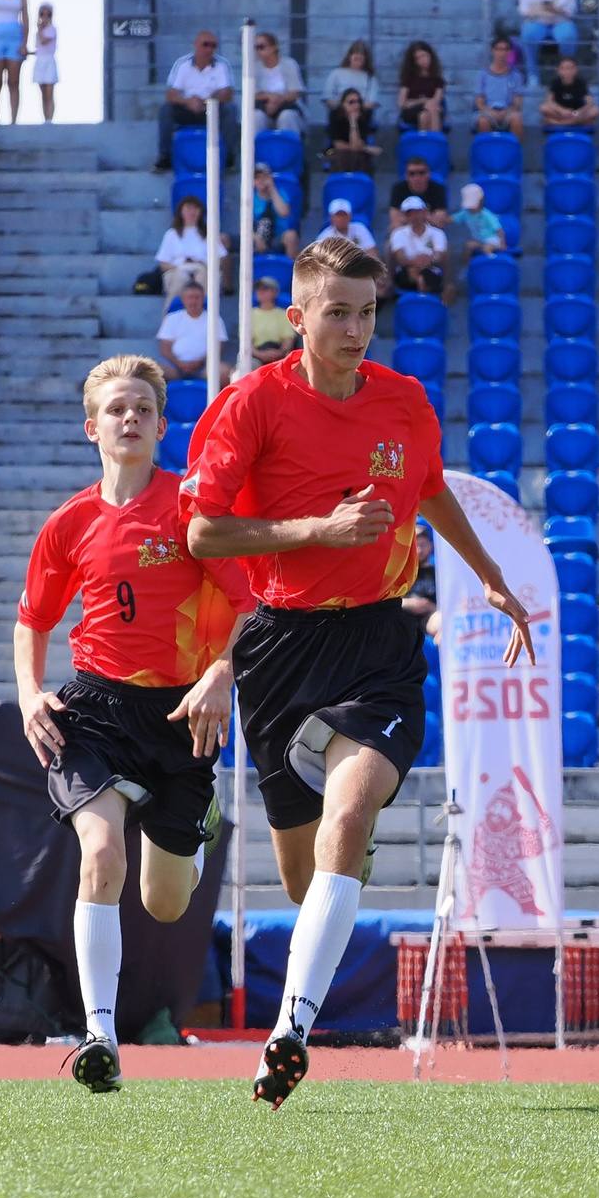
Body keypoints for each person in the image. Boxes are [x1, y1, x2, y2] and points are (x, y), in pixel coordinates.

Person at [179, 237, 535, 1108]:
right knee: (305, 881)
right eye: (335, 311)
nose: (353, 328)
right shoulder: (249, 405)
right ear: (295, 318)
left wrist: (488, 574)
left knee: (349, 810)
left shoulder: (404, 400)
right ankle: (331, 895)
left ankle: (289, 1031)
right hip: (281, 647)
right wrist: (316, 530)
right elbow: (202, 534)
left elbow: (430, 488)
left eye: (367, 311)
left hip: (379, 645)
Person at [15, 356, 257, 1091]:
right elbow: (33, 618)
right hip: (95, 711)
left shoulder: (191, 511)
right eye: (117, 408)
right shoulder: (70, 522)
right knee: (101, 850)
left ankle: (193, 812)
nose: (130, 418)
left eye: (143, 408)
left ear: (160, 424)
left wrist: (222, 672)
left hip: (182, 716)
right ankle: (100, 1036)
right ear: (94, 427)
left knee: (164, 899)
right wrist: (30, 693)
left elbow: (251, 607)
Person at [160, 30, 234, 169]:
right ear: (195, 45)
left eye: (213, 46)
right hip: (187, 108)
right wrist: (188, 101)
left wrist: (208, 101)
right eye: (205, 44)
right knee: (166, 109)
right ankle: (165, 156)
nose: (209, 49)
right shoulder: (182, 64)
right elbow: (171, 94)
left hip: (211, 109)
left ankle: (229, 158)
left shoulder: (221, 65)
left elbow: (227, 93)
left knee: (230, 110)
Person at [517, 0, 579, 70]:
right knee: (529, 34)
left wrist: (554, 10)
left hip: (560, 22)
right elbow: (523, 10)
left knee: (568, 35)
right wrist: (548, 10)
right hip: (537, 21)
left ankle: (566, 70)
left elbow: (571, 10)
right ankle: (532, 74)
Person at [156, 279, 221, 380]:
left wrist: (199, 362)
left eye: (197, 298)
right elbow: (165, 349)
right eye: (190, 298)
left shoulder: (214, 319)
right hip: (174, 367)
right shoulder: (172, 318)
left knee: (226, 372)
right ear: (183, 299)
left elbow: (218, 348)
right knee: (153, 372)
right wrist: (179, 363)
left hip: (205, 367)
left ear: (203, 299)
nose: (193, 301)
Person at [153, 194, 213, 299]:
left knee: (203, 276)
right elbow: (163, 263)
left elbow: (220, 258)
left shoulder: (209, 234)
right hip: (177, 269)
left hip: (202, 268)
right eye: (188, 208)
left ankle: (204, 310)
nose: (192, 212)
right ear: (181, 211)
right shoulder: (172, 234)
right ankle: (171, 312)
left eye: (196, 208)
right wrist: (179, 267)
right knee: (181, 277)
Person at [387, 196, 448, 296]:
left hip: (431, 272)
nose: (414, 216)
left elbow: (439, 256)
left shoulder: (438, 233)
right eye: (410, 213)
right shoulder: (398, 233)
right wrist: (416, 262)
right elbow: (400, 258)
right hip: (406, 273)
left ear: (424, 212)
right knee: (412, 273)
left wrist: (430, 261)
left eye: (417, 212)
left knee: (426, 275)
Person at [251, 31, 305, 130]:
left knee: (287, 116)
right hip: (264, 107)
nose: (258, 51)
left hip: (288, 106)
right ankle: (255, 145)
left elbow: (296, 92)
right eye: (256, 47)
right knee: (256, 117)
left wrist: (277, 100)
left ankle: (288, 144)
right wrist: (270, 97)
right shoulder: (254, 68)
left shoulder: (289, 64)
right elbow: (252, 93)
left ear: (273, 47)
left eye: (261, 47)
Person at [472, 38, 524, 138]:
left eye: (505, 49)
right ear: (493, 50)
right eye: (499, 49)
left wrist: (507, 111)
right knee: (483, 121)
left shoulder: (516, 76)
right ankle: (485, 152)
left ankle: (515, 151)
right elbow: (479, 102)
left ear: (509, 52)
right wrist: (490, 111)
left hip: (508, 111)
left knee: (517, 118)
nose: (501, 53)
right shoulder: (482, 75)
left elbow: (518, 102)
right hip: (488, 111)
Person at [318, 40, 377, 123]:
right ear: (349, 57)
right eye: (356, 59)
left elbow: (371, 102)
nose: (358, 62)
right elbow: (328, 98)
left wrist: (355, 108)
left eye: (361, 60)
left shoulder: (370, 78)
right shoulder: (336, 73)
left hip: (361, 115)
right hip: (339, 114)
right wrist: (344, 107)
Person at [395, 40, 447, 134]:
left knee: (424, 115)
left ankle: (425, 144)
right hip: (412, 111)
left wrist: (417, 101)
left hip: (431, 110)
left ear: (430, 55)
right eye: (418, 58)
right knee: (429, 107)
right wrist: (423, 102)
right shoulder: (408, 79)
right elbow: (401, 103)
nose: (422, 61)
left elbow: (436, 100)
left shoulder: (438, 81)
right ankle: (437, 140)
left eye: (424, 56)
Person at [248, 164, 298, 259]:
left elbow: (284, 213)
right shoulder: (251, 199)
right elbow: (244, 225)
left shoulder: (281, 194)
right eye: (257, 178)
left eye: (264, 177)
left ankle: (291, 271)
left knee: (291, 236)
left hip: (277, 237)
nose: (261, 181)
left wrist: (272, 188)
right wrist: (255, 237)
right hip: (257, 237)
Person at [541, 55, 599, 129]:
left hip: (577, 112)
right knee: (543, 108)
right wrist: (562, 111)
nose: (568, 71)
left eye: (570, 68)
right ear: (558, 70)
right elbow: (549, 101)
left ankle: (561, 124)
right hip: (560, 112)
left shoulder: (580, 82)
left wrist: (578, 112)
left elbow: (590, 102)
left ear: (576, 69)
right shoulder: (555, 83)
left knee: (596, 111)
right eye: (564, 68)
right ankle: (573, 122)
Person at [248, 276, 297, 366]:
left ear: (274, 292)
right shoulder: (249, 314)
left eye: (265, 289)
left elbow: (288, 340)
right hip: (256, 356)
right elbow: (247, 341)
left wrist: (279, 353)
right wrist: (260, 354)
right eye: (258, 289)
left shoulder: (283, 314)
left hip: (279, 355)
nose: (260, 292)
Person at [453, 182, 507, 263]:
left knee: (487, 248)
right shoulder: (465, 213)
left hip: (492, 240)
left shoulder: (487, 215)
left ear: (481, 201)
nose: (471, 209)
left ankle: (493, 262)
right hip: (481, 241)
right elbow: (452, 219)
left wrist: (503, 243)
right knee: (468, 245)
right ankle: (469, 267)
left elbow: (499, 229)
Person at [325, 94, 378, 176]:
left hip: (357, 153)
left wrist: (353, 122)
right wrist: (365, 148)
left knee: (361, 160)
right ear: (343, 104)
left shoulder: (363, 119)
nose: (356, 105)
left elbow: (358, 144)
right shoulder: (334, 116)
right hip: (333, 150)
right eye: (351, 102)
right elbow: (338, 145)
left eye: (358, 102)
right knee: (341, 157)